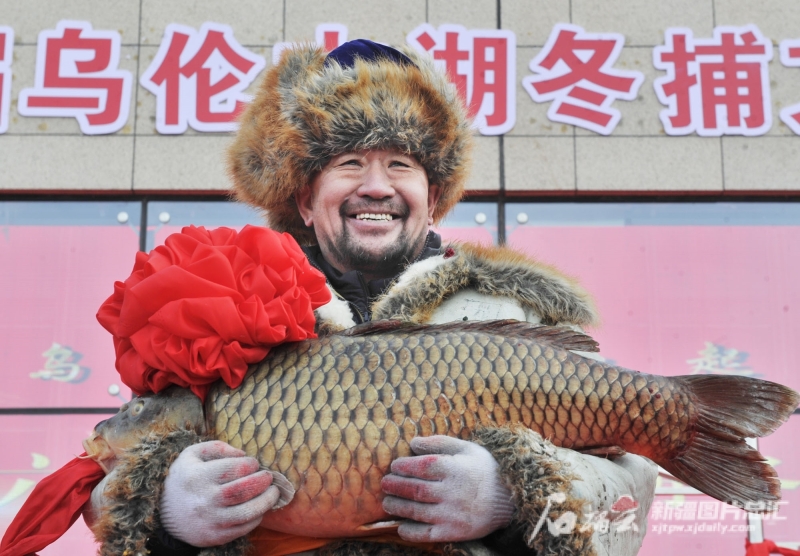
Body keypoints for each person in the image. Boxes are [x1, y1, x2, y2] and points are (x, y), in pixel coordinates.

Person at [88, 39, 657, 556]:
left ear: (432, 198)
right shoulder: (224, 308)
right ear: (307, 200)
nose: (377, 186)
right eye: (350, 163)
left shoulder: (513, 315)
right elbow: (106, 478)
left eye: (401, 165)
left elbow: (631, 496)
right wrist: (164, 514)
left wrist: (515, 500)